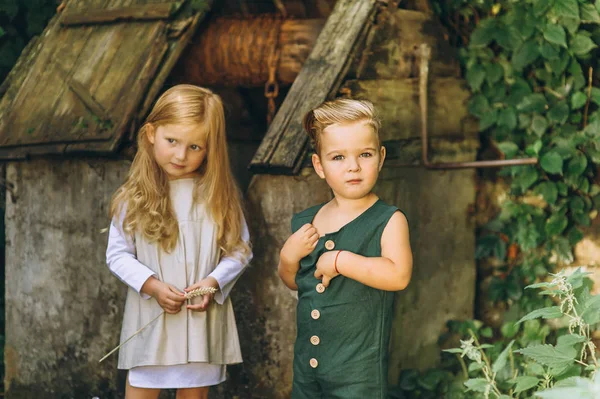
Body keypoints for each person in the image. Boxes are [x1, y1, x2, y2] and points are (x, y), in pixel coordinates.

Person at [106, 84, 252, 399]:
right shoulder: (133, 197)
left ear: (210, 148)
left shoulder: (218, 196)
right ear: (150, 134)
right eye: (172, 141)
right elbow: (117, 255)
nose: (181, 155)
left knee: (194, 391)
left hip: (200, 323)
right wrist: (153, 286)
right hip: (151, 325)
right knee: (141, 388)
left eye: (195, 147)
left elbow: (240, 250)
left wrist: (213, 282)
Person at [278, 98, 413, 398]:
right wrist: (288, 258)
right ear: (319, 165)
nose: (353, 167)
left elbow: (398, 275)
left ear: (380, 157)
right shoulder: (307, 222)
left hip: (358, 373)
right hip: (308, 368)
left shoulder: (388, 220)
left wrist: (340, 260)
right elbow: (296, 282)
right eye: (338, 157)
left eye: (364, 154)